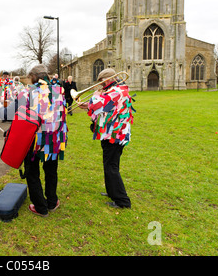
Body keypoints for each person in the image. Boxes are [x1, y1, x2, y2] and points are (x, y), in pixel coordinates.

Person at [79, 68, 134, 209]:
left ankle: (122, 201)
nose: (101, 85)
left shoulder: (117, 91)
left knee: (112, 167)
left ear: (108, 79)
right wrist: (88, 106)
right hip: (111, 134)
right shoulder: (113, 91)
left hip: (115, 136)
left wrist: (95, 96)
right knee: (109, 164)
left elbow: (100, 102)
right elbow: (104, 108)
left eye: (102, 82)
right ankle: (112, 192)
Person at [21, 65, 68, 217]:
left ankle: (41, 206)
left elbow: (22, 115)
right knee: (51, 170)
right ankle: (52, 202)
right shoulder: (59, 90)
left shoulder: (28, 92)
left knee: (32, 172)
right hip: (54, 138)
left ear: (34, 76)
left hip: (34, 139)